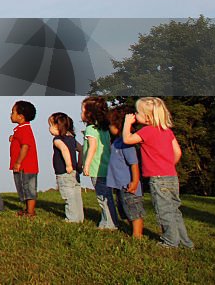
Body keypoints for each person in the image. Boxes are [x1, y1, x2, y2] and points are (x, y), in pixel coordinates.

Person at [123, 97, 193, 248]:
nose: (135, 114)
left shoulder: (147, 131)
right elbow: (178, 153)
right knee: (174, 210)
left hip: (158, 179)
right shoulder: (167, 132)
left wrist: (127, 124)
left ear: (147, 117)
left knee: (164, 212)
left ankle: (170, 242)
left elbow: (127, 139)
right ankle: (185, 242)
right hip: (172, 177)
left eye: (138, 112)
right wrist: (168, 165)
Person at [106, 106, 144, 239]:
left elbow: (134, 163)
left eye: (111, 124)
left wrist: (135, 181)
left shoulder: (126, 143)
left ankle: (137, 235)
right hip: (120, 185)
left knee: (134, 210)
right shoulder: (116, 142)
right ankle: (132, 231)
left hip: (129, 185)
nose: (109, 127)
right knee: (125, 209)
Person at [81, 96, 118, 229]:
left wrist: (87, 165)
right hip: (106, 166)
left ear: (89, 113)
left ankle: (109, 223)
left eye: (83, 111)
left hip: (96, 168)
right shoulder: (104, 129)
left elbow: (93, 147)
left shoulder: (91, 129)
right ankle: (109, 221)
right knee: (107, 196)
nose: (81, 114)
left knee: (102, 198)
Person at [48, 112, 83, 223]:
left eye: (50, 125)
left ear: (58, 126)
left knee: (69, 196)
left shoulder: (58, 140)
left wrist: (68, 165)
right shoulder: (71, 138)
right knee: (76, 195)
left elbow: (64, 150)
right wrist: (79, 164)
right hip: (75, 172)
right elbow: (81, 149)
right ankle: (79, 217)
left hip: (64, 172)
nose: (49, 129)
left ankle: (72, 219)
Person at [9, 100, 39, 218]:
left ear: (21, 117)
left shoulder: (25, 129)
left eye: (13, 112)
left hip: (27, 166)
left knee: (29, 188)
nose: (11, 115)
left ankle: (31, 212)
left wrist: (18, 162)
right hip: (22, 166)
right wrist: (14, 138)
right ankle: (27, 210)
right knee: (22, 187)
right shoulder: (20, 129)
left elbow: (25, 146)